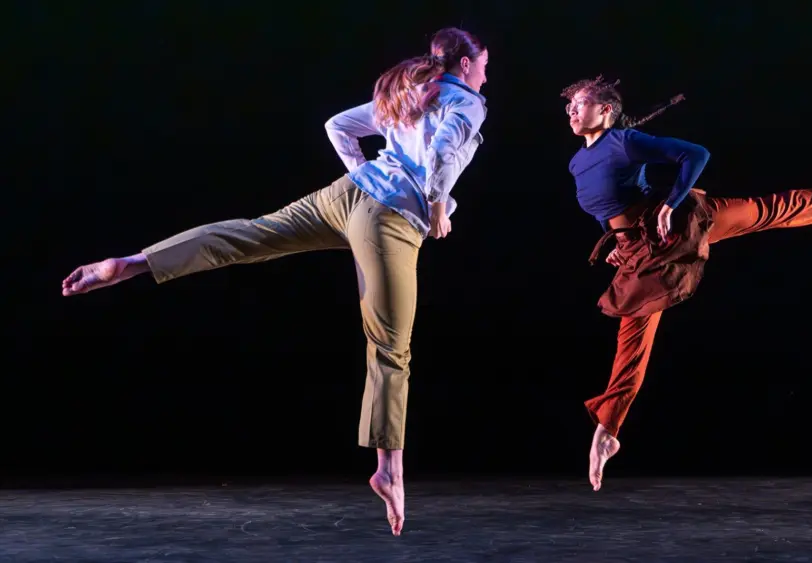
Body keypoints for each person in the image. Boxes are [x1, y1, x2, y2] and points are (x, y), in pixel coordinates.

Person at [61, 27, 490, 536]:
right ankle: (389, 470)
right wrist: (437, 208)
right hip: (391, 219)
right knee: (390, 347)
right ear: (464, 65)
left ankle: (133, 262)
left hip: (344, 196)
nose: (487, 74)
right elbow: (441, 153)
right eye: (485, 64)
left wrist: (367, 177)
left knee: (250, 235)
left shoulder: (409, 89)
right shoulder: (468, 101)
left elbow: (339, 126)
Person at [562, 75, 812, 491]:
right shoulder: (577, 163)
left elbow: (695, 154)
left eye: (580, 104)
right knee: (631, 337)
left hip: (678, 228)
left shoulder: (625, 142)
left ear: (605, 111)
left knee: (766, 210)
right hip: (640, 253)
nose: (571, 111)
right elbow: (602, 209)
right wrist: (616, 242)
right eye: (569, 106)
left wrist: (671, 203)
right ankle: (608, 429)